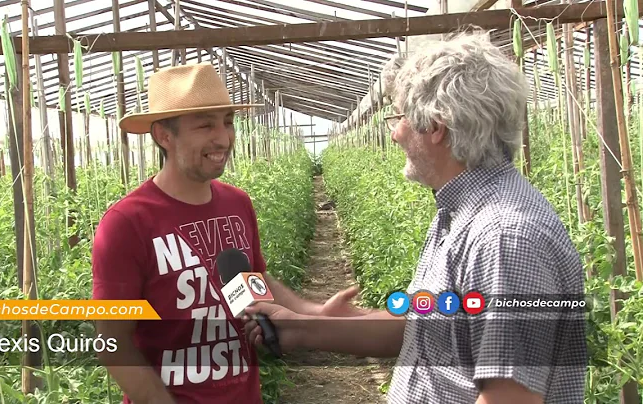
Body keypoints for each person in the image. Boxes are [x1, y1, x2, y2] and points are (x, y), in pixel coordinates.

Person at [243, 30, 587, 404]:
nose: (395, 134)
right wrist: (311, 328)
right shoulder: (459, 215)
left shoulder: (504, 237)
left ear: (436, 126)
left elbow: (510, 399)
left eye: (401, 117)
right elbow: (422, 327)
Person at [91, 63, 366, 404]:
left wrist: (315, 312)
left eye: (228, 122)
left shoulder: (236, 204)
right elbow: (113, 343)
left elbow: (249, 284)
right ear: (164, 135)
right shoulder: (127, 223)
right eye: (205, 125)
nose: (223, 138)